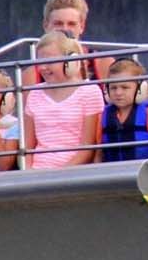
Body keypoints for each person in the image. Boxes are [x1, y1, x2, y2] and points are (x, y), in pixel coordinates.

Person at [21, 31, 104, 168]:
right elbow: (27, 148)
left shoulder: (90, 91)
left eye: (49, 61)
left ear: (71, 61)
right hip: (37, 172)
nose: (42, 68)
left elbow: (88, 148)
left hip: (73, 173)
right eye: (40, 62)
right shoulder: (34, 93)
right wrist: (28, 173)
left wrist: (60, 174)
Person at [98, 58, 148, 162]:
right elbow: (98, 154)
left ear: (140, 89)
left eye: (125, 87)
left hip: (147, 175)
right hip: (113, 176)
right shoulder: (102, 117)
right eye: (113, 88)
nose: (118, 92)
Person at [29, 0, 113, 83]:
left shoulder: (103, 64)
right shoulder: (32, 73)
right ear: (45, 26)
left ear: (82, 26)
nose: (65, 29)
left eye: (71, 24)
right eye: (58, 23)